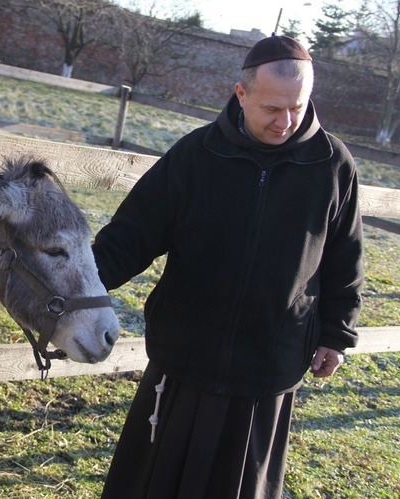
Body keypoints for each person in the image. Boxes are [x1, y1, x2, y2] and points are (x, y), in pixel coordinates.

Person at [93, 35, 364, 499]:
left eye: (297, 107)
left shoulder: (331, 164)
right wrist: (76, 285)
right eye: (272, 108)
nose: (286, 121)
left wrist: (337, 334)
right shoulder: (198, 154)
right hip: (185, 359)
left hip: (267, 367)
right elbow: (131, 236)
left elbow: (345, 259)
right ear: (241, 94)